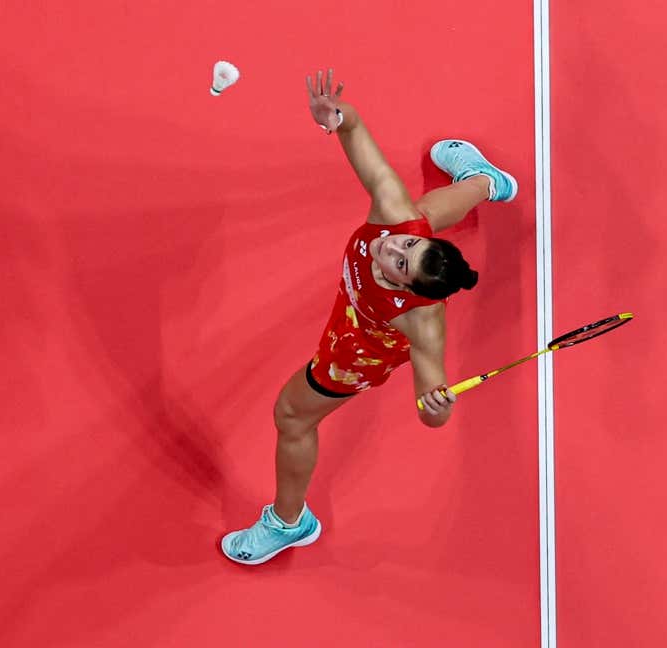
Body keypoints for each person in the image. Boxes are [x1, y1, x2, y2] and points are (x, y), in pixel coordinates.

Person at [221, 69, 518, 565]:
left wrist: (438, 405)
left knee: (291, 415)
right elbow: (359, 136)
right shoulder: (395, 222)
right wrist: (336, 117)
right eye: (406, 245)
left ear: (404, 286)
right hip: (376, 281)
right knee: (417, 209)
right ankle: (487, 181)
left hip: (361, 344)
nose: (391, 246)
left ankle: (288, 523)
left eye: (400, 261)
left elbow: (432, 412)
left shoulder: (420, 323)